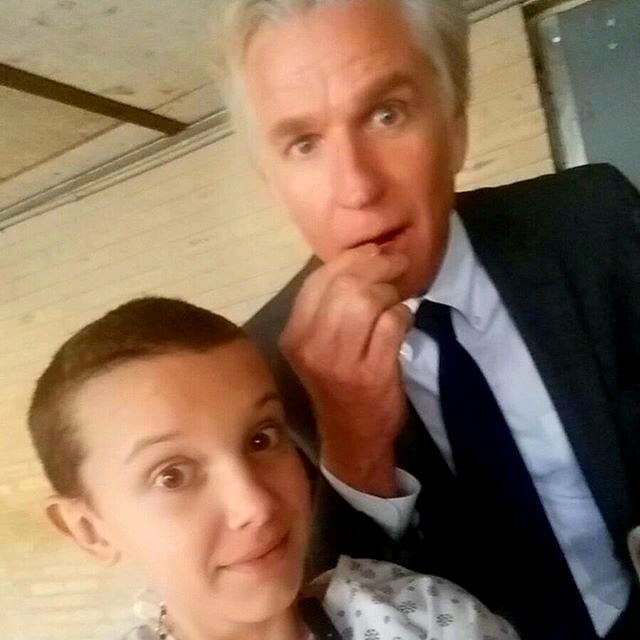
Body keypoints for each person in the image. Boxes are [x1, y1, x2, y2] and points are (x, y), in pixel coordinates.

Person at [217, 0, 640, 638]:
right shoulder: (256, 375)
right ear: (272, 183)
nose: (357, 188)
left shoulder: (593, 220)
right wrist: (355, 450)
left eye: (386, 114)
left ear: (456, 125)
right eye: (304, 144)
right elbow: (319, 615)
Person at [28, 297, 519, 640]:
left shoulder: (420, 619)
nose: (255, 505)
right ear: (90, 530)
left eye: (261, 439)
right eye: (172, 475)